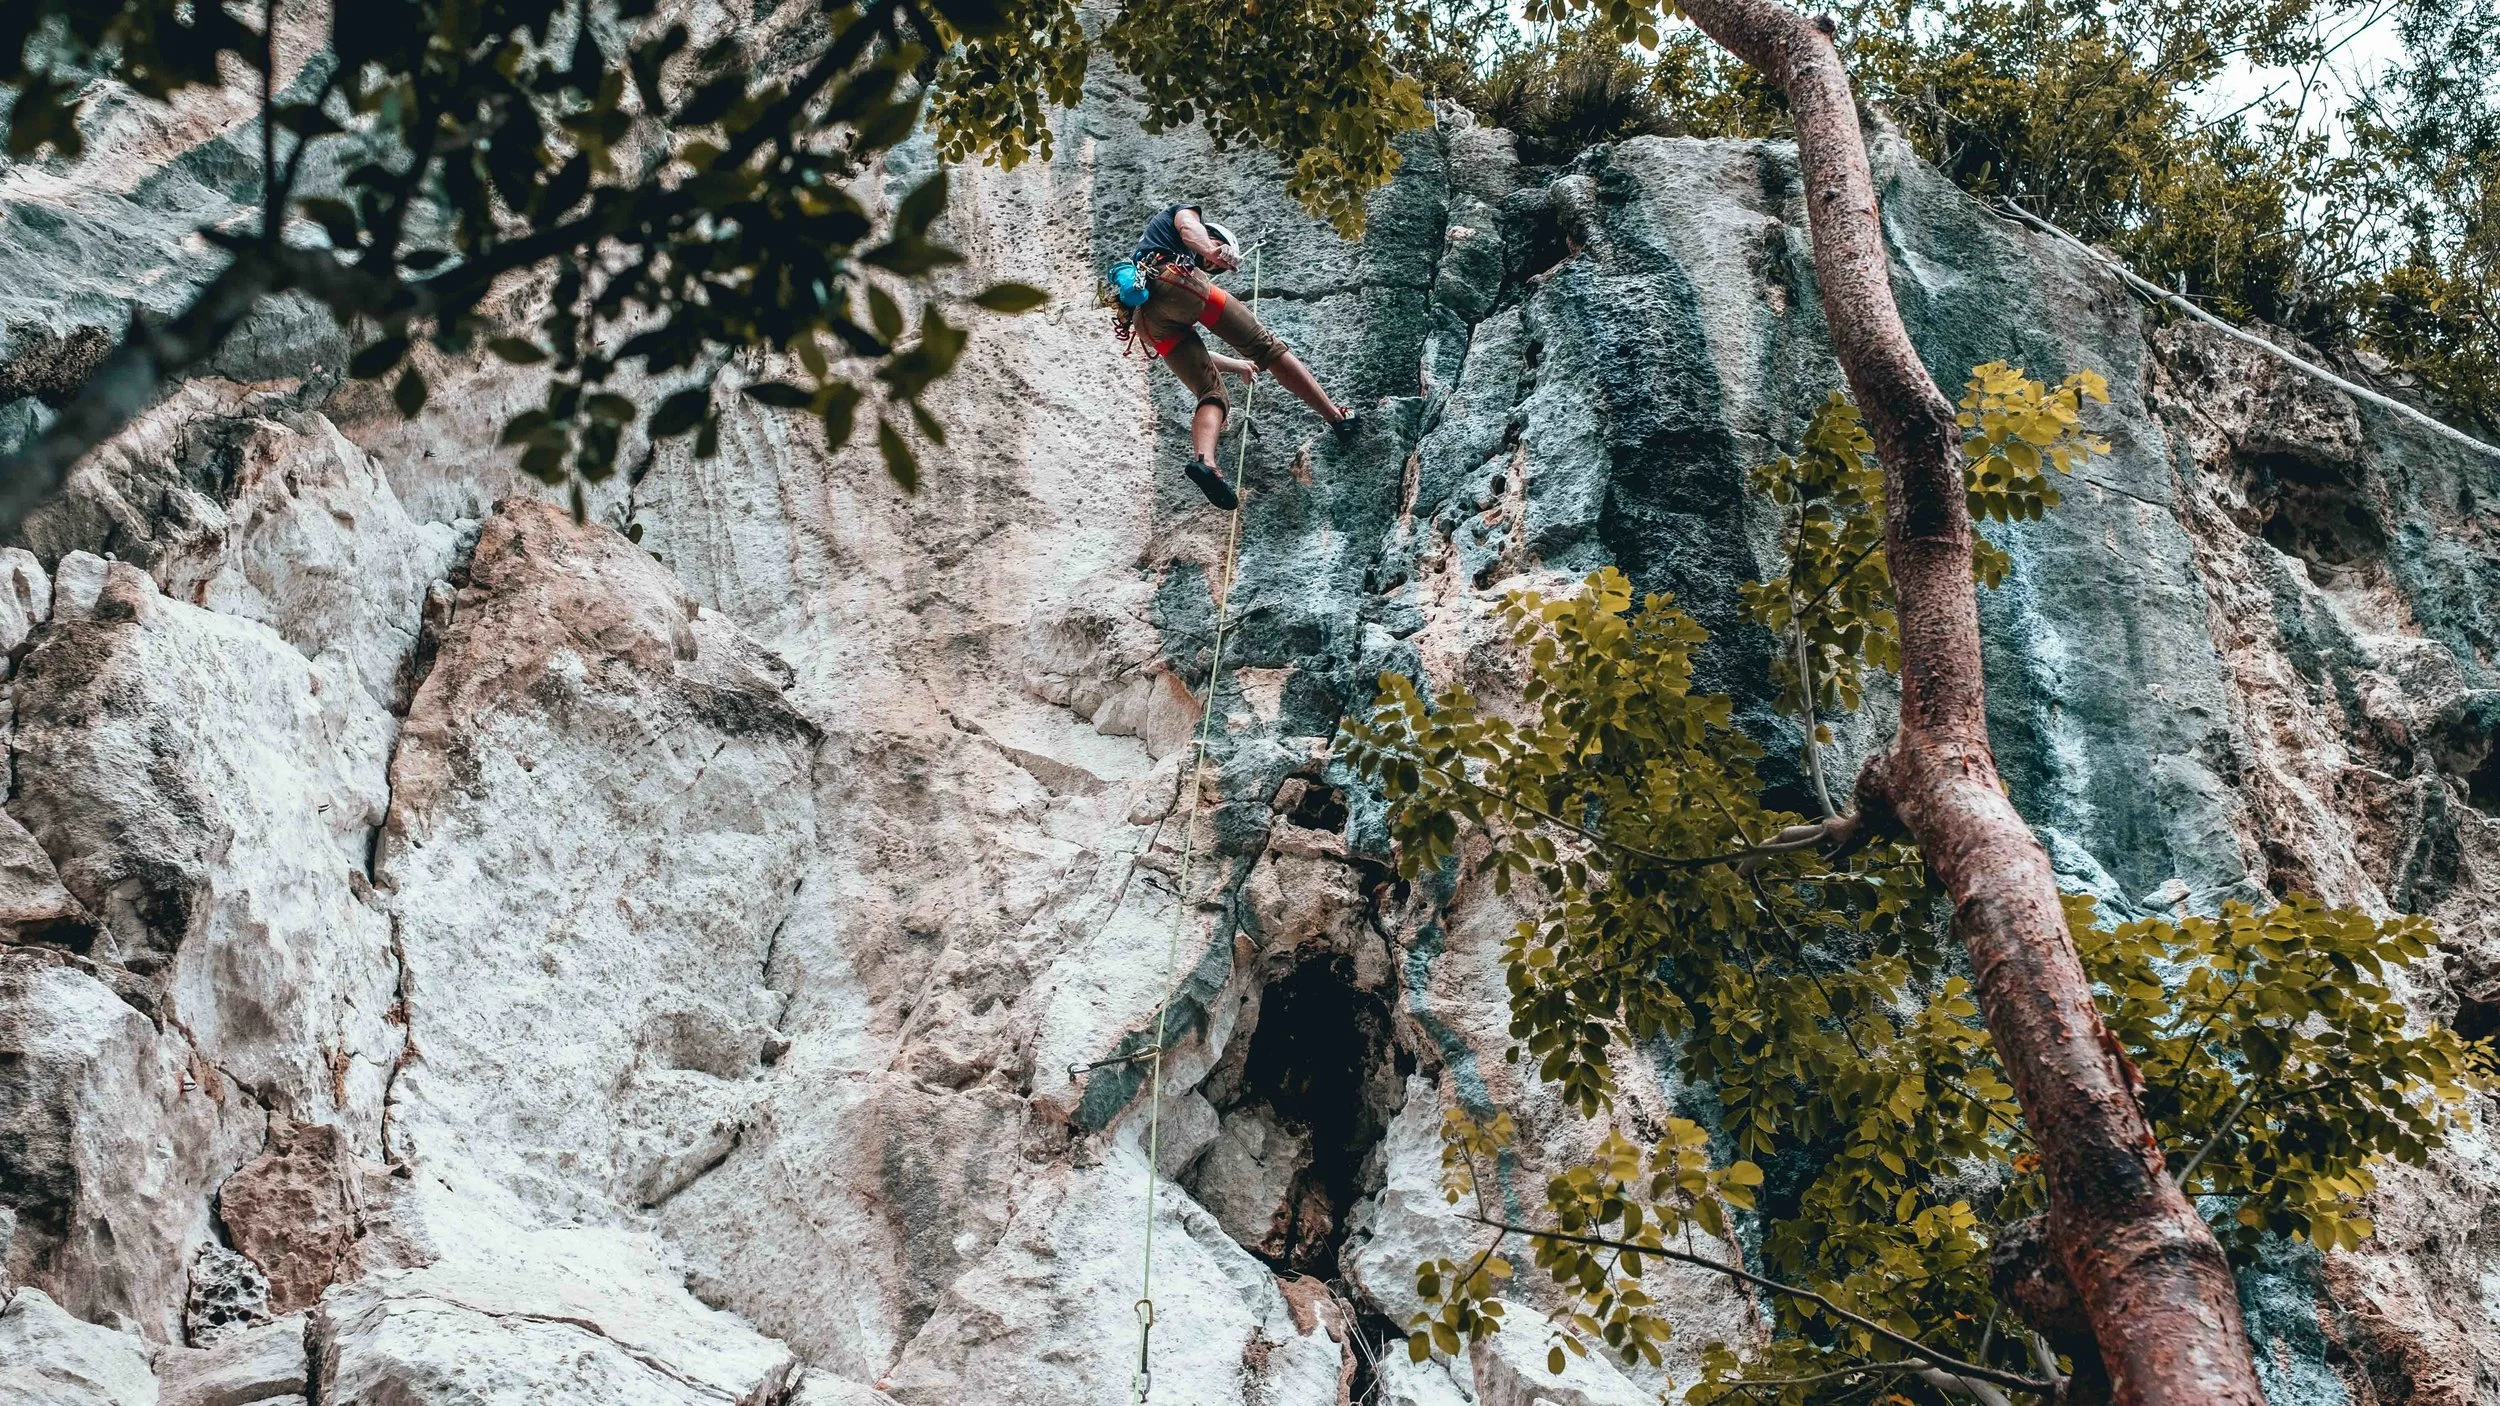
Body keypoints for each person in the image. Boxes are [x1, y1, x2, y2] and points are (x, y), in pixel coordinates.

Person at [1116, 204, 1360, 510]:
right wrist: (1211, 248)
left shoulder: (1146, 257)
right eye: (1215, 258)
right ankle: (1337, 418)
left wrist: (1239, 365)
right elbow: (1189, 228)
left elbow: (1202, 356)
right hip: (1173, 279)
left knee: (1212, 394)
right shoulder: (1179, 216)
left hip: (1148, 322)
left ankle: (1206, 464)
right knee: (1267, 347)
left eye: (1214, 268)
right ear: (1214, 234)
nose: (1211, 267)